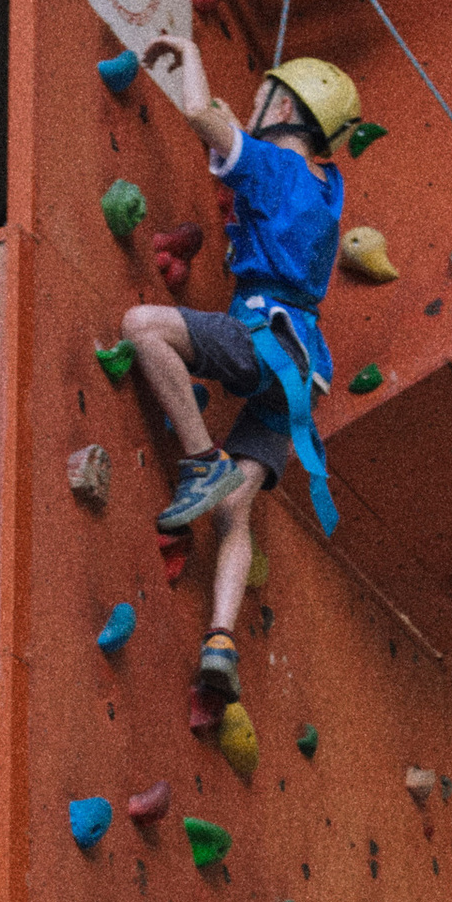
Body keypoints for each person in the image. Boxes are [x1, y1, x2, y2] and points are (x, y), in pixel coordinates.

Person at [112, 37, 360, 701]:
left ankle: (201, 461)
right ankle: (221, 642)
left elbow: (200, 114)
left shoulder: (276, 167)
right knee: (235, 517)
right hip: (301, 374)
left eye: (263, 96)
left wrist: (191, 51)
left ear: (283, 104)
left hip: (262, 335)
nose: (254, 103)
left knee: (143, 327)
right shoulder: (329, 190)